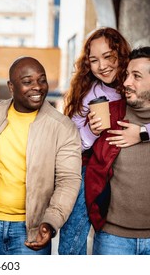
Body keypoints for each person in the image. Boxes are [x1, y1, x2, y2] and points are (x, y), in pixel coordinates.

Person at [0, 56, 82, 255]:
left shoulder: (62, 127)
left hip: (33, 229)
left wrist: (51, 222)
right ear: (11, 87)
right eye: (27, 82)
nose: (37, 87)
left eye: (42, 80)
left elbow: (69, 180)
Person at [59, 27, 150, 255]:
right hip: (86, 162)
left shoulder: (135, 88)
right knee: (76, 221)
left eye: (108, 56)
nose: (102, 66)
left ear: (121, 55)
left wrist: (141, 132)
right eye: (94, 60)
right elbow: (71, 143)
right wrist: (91, 131)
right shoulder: (89, 94)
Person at [90, 46, 150, 254]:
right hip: (113, 238)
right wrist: (91, 131)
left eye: (136, 76)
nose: (126, 82)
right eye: (126, 75)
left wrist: (143, 132)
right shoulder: (111, 114)